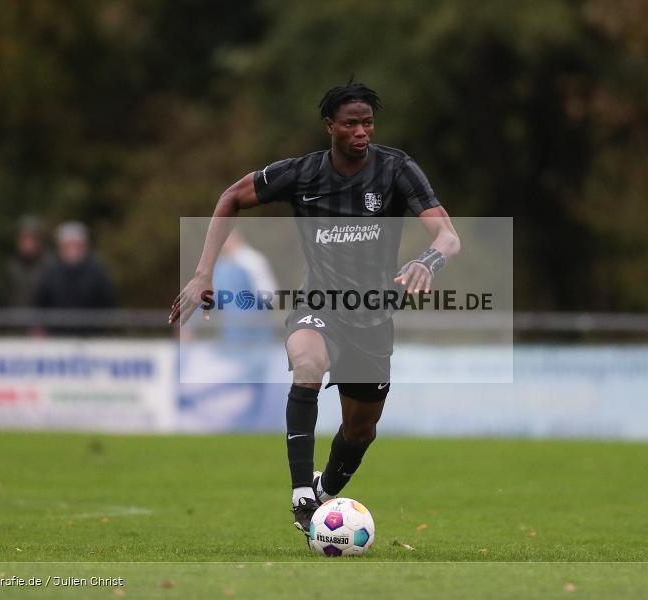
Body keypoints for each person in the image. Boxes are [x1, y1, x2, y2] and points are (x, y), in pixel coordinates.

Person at [170, 81, 460, 540]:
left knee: (361, 430)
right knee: (307, 361)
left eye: (367, 123)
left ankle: (325, 491)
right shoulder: (302, 174)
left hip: (372, 316)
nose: (361, 131)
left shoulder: (396, 169)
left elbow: (447, 235)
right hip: (318, 302)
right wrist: (203, 273)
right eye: (351, 123)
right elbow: (230, 198)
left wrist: (428, 260)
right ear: (330, 127)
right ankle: (301, 492)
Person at [37, 221, 115, 333]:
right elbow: (41, 302)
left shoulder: (97, 271)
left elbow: (108, 303)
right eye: (68, 245)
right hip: (57, 337)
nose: (72, 249)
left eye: (76, 244)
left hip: (92, 337)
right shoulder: (50, 271)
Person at [6, 216, 53, 307]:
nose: (27, 244)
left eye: (31, 239)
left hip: (44, 319)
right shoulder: (13, 266)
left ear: (40, 240)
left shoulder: (51, 266)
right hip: (17, 319)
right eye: (23, 239)